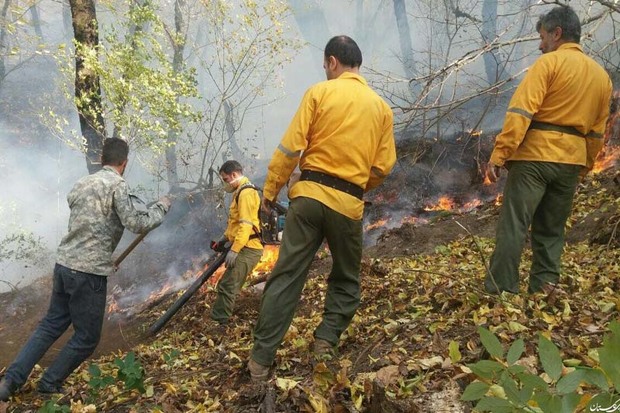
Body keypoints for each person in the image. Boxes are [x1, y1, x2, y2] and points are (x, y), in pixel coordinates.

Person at [247, 35, 396, 381]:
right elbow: (383, 167)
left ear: (332, 62)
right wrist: (356, 185)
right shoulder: (381, 109)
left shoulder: (319, 93)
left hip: (309, 199)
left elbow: (289, 149)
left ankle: (259, 362)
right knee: (345, 279)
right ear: (357, 64)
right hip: (348, 206)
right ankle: (325, 342)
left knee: (285, 278)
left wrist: (269, 193)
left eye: (325, 66)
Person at [0, 138, 171, 401]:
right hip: (88, 273)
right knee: (88, 337)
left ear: (102, 159)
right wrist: (161, 207)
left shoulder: (82, 183)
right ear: (124, 163)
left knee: (50, 326)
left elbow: (89, 220)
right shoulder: (117, 185)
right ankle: (49, 383)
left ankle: (9, 381)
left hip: (64, 265)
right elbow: (135, 222)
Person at [484, 5, 612, 295]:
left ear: (557, 33)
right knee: (552, 230)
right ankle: (545, 289)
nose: (541, 45)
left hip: (533, 158)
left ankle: (501, 290)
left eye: (543, 37)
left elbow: (520, 112)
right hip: (571, 162)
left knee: (514, 225)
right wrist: (586, 165)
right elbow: (596, 131)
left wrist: (500, 154)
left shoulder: (547, 64)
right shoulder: (601, 77)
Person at [209, 160, 263, 325]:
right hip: (244, 246)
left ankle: (220, 324)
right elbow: (236, 223)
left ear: (233, 175)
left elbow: (246, 225)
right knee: (227, 284)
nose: (225, 183)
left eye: (225, 179)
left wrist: (235, 250)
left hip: (249, 248)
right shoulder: (239, 191)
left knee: (228, 285)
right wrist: (224, 239)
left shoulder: (246, 193)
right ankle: (220, 319)